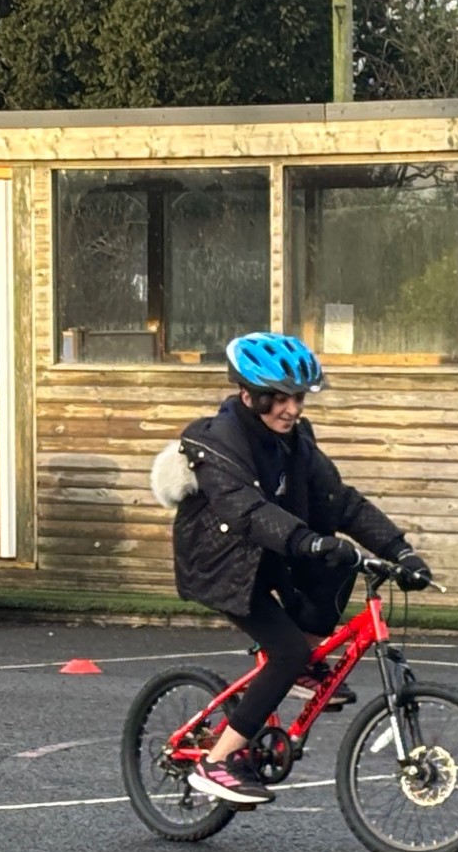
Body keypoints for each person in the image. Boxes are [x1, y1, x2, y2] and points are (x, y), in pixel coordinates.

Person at [151, 332, 432, 807]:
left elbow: (339, 501)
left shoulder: (297, 442)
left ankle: (303, 667)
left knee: (341, 564)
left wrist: (401, 551)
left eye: (298, 398)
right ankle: (216, 761)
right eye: (280, 398)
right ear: (249, 395)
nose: (292, 409)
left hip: (271, 555)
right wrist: (307, 540)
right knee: (286, 651)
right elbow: (245, 510)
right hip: (223, 565)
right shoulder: (216, 442)